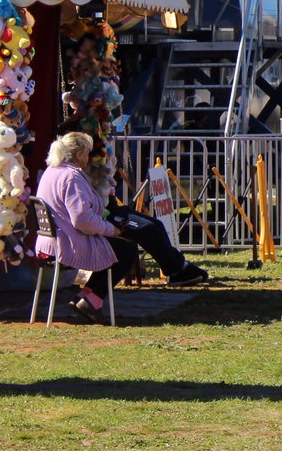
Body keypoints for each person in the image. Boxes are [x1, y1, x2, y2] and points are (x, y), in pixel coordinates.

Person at [34, 132, 209, 325]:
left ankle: (88, 296)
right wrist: (110, 229)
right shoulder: (71, 176)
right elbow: (82, 220)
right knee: (126, 250)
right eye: (88, 152)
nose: (89, 157)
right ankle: (91, 299)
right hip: (69, 242)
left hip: (54, 240)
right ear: (80, 153)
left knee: (129, 242)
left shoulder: (52, 171)